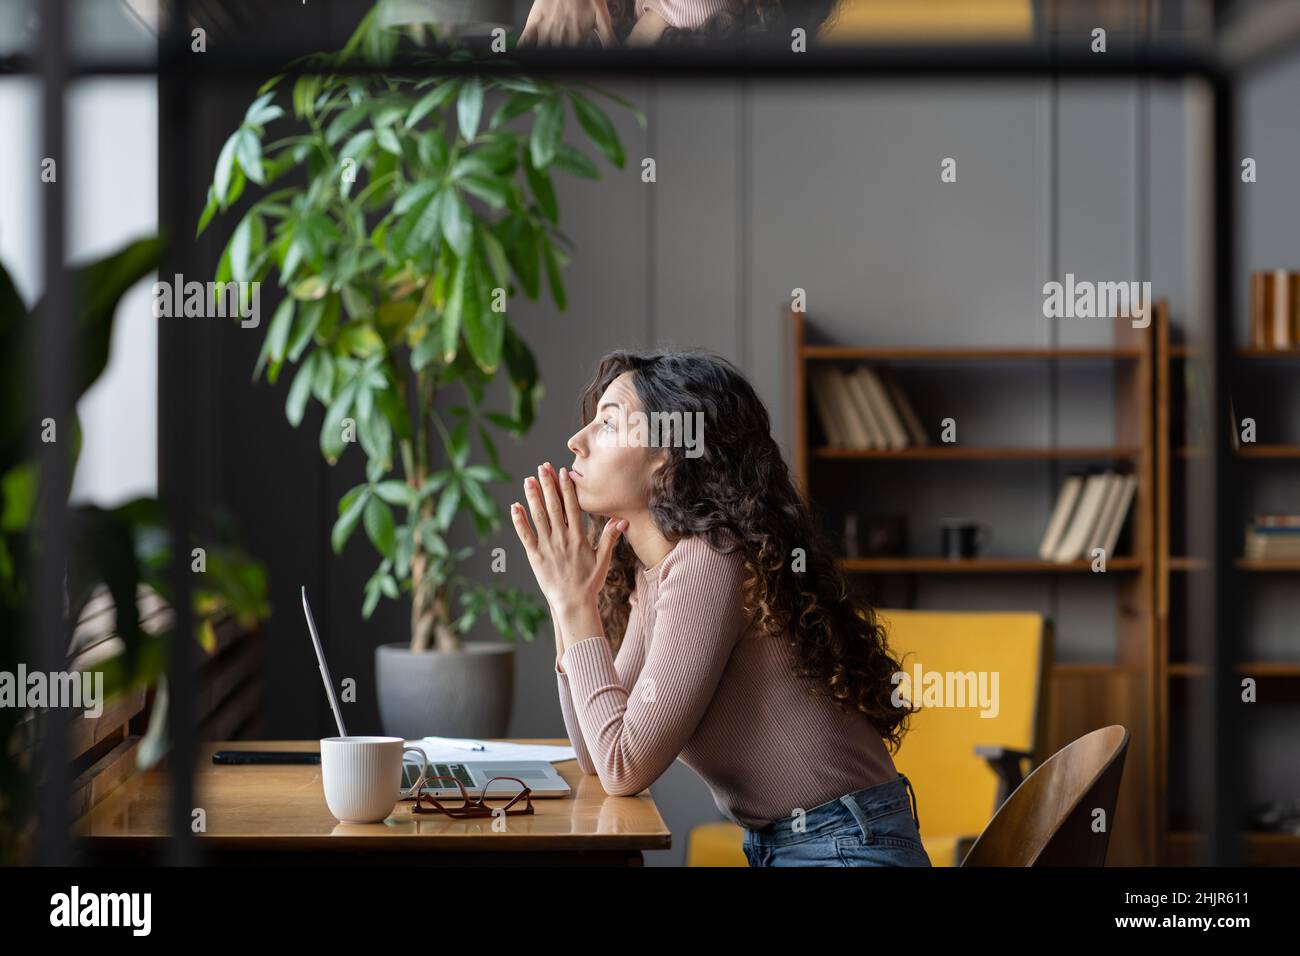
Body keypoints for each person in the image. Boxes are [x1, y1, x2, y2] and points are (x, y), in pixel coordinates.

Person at [509, 348, 931, 866]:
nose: (577, 441)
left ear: (668, 454)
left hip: (844, 848)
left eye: (609, 423)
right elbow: (598, 756)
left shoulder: (710, 561)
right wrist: (565, 600)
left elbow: (623, 765)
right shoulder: (659, 575)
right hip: (809, 844)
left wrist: (575, 604)